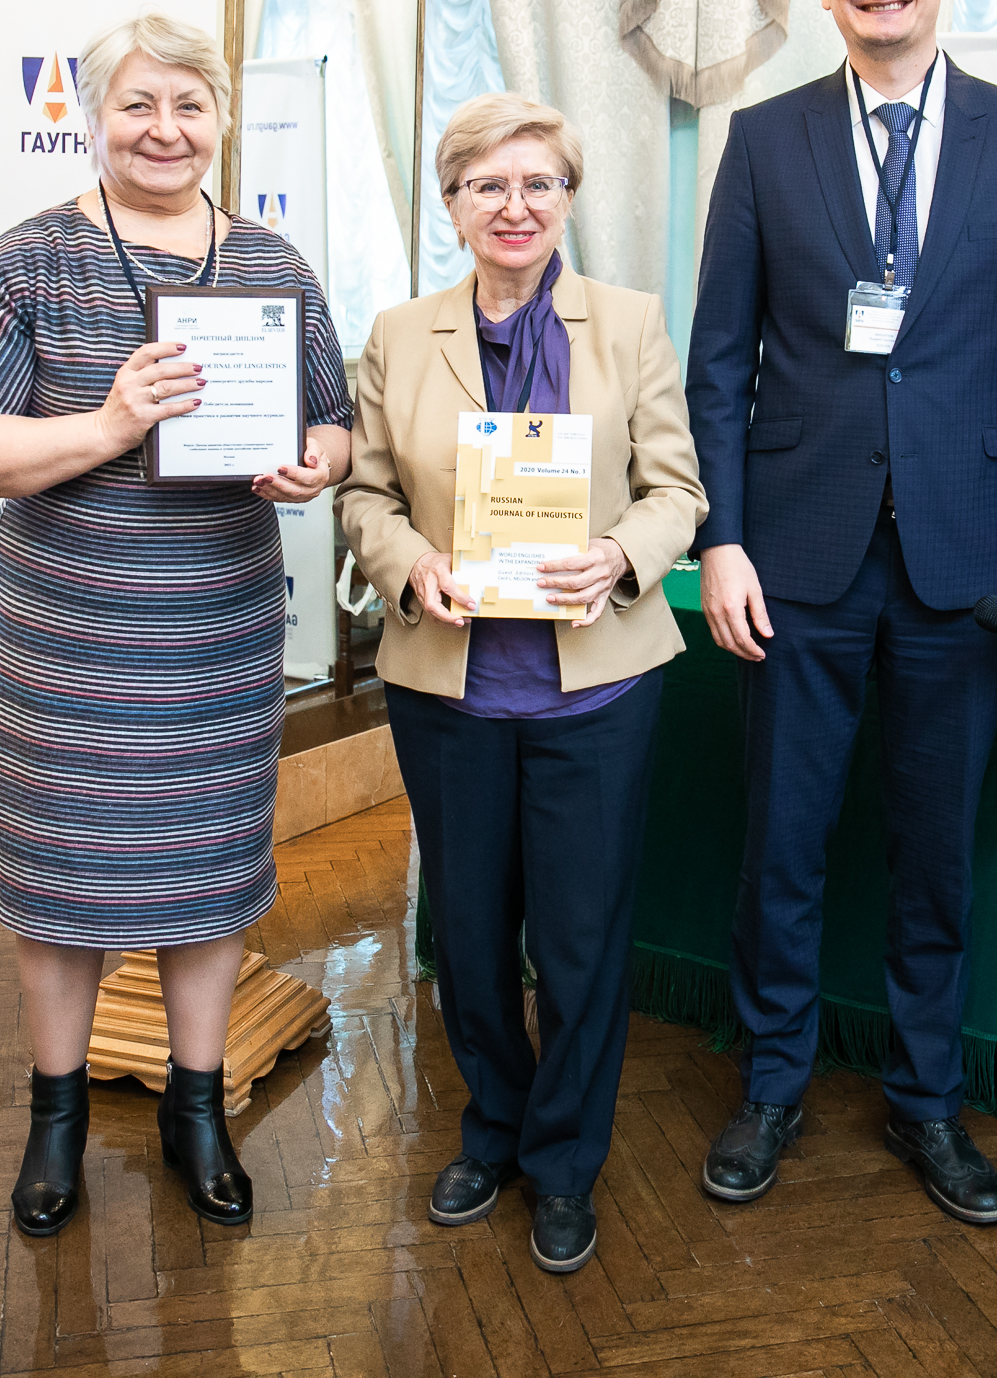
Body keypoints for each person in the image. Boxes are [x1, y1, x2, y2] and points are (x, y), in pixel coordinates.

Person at [683, 0, 997, 1224]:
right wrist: (722, 537)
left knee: (935, 849)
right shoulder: (765, 138)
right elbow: (718, 363)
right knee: (781, 842)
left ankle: (928, 1097)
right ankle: (772, 1082)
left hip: (963, 560)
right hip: (794, 554)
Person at [0, 12, 352, 1240]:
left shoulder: (271, 263)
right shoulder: (25, 263)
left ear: (222, 120)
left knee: (209, 880)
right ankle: (54, 1118)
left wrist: (316, 461)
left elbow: (337, 420)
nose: (165, 130)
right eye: (138, 105)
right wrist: (107, 427)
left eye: (189, 105)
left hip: (215, 634)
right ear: (93, 116)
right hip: (68, 645)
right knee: (58, 887)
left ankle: (194, 1108)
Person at [338, 94, 705, 1274]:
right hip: (450, 691)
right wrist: (410, 562)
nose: (515, 205)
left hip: (593, 690)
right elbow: (364, 495)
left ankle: (562, 1161)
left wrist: (622, 553)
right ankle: (492, 1126)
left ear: (567, 199)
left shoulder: (629, 323)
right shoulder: (400, 334)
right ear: (451, 203)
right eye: (488, 184)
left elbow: (677, 490)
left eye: (539, 182)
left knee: (582, 942)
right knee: (471, 937)